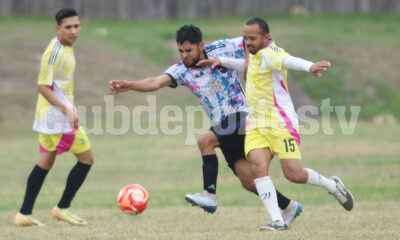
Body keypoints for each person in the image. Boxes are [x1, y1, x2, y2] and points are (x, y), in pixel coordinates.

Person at [109, 25, 302, 227]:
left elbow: (251, 41)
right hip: (223, 125)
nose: (184, 55)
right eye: (181, 51)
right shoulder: (182, 71)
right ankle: (289, 206)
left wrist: (247, 65)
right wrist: (130, 85)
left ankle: (209, 194)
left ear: (201, 45)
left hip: (242, 115)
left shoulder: (221, 49)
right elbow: (156, 82)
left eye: (189, 50)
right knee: (248, 182)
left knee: (205, 141)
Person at [239, 17, 354, 231]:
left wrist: (310, 66)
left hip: (280, 123)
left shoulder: (272, 53)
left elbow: (288, 60)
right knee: (257, 168)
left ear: (266, 38)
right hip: (256, 124)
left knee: (294, 174)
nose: (247, 42)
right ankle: (277, 220)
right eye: (245, 38)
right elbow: (247, 66)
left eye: (252, 38)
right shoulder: (254, 54)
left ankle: (331, 185)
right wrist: (221, 61)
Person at [14, 8, 94, 227]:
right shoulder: (55, 51)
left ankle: (24, 214)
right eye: (68, 27)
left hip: (49, 117)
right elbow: (43, 86)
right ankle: (63, 207)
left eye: (76, 26)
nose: (74, 31)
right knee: (87, 159)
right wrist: (67, 110)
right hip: (56, 119)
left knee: (45, 162)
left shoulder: (67, 47)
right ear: (58, 28)